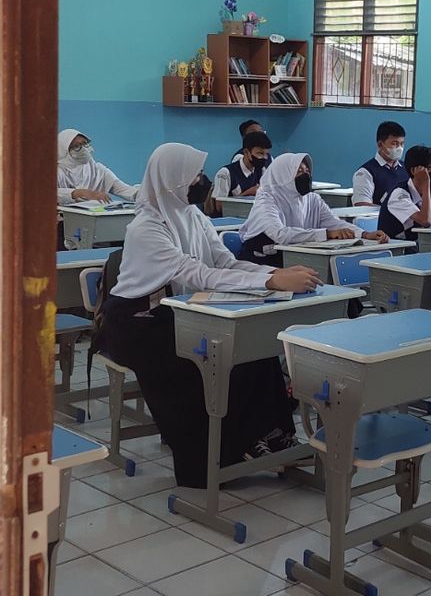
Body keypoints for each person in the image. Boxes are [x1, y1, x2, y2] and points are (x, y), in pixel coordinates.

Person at [94, 143, 323, 488]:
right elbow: (197, 273)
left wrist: (272, 279)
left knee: (253, 346)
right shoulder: (146, 227)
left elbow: (225, 264)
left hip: (181, 309)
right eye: (195, 176)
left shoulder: (193, 215)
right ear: (171, 180)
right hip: (137, 323)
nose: (202, 182)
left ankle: (272, 436)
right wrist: (270, 279)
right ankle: (221, 453)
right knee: (211, 359)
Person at [238, 152, 387, 266]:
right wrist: (327, 234)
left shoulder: (312, 198)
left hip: (294, 256)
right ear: (284, 175)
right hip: (260, 260)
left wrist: (364, 234)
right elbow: (279, 234)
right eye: (299, 171)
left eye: (307, 171)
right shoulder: (267, 198)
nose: (306, 175)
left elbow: (333, 223)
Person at [56, 129, 140, 205]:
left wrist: (145, 193)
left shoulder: (97, 170)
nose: (84, 149)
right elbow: (48, 194)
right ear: (64, 150)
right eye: (76, 146)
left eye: (85, 143)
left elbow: (125, 190)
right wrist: (79, 193)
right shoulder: (56, 171)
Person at [352, 121, 408, 206]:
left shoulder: (406, 168)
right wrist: (389, 211)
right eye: (394, 143)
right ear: (380, 144)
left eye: (401, 144)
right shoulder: (366, 172)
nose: (399, 148)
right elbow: (362, 204)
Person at [212, 130, 272, 200]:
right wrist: (248, 193)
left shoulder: (262, 171)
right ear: (246, 152)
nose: (264, 158)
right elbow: (219, 206)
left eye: (266, 154)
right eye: (260, 153)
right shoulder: (226, 173)